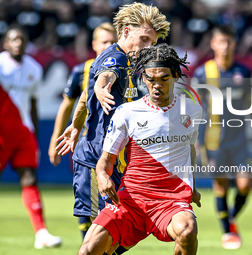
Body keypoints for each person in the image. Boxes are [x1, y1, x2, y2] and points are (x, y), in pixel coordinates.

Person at [56, 3, 170, 254]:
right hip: (97, 161)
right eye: (144, 39)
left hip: (117, 164)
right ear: (126, 31)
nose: (148, 47)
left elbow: (85, 94)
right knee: (97, 240)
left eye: (152, 42)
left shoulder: (132, 64)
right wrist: (101, 86)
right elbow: (104, 77)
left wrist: (76, 126)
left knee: (120, 236)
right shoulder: (115, 57)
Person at [74, 43, 202, 255]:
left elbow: (190, 150)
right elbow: (105, 160)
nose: (156, 85)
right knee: (87, 250)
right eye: (150, 79)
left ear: (176, 76)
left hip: (171, 200)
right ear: (143, 78)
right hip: (131, 200)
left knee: (187, 232)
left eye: (163, 78)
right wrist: (103, 177)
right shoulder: (127, 112)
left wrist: (193, 186)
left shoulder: (190, 109)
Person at [0, 26, 61, 249]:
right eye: (13, 39)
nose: (18, 43)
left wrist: (33, 136)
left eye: (22, 39)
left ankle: (41, 233)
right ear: (5, 43)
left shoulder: (33, 68)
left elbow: (33, 106)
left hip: (23, 134)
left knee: (30, 178)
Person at [193, 25, 252, 250]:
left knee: (245, 185)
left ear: (235, 44)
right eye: (220, 42)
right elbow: (195, 108)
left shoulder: (244, 72)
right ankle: (227, 233)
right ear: (213, 44)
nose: (224, 47)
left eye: (229, 42)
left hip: (239, 139)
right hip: (213, 141)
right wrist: (194, 139)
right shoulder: (204, 73)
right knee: (221, 186)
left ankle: (230, 218)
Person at [48, 22, 117, 238]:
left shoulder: (122, 68)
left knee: (111, 204)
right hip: (88, 143)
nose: (109, 46)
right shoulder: (82, 70)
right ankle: (87, 246)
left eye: (112, 41)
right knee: (87, 201)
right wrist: (54, 141)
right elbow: (67, 105)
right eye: (104, 41)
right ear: (94, 44)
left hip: (115, 145)